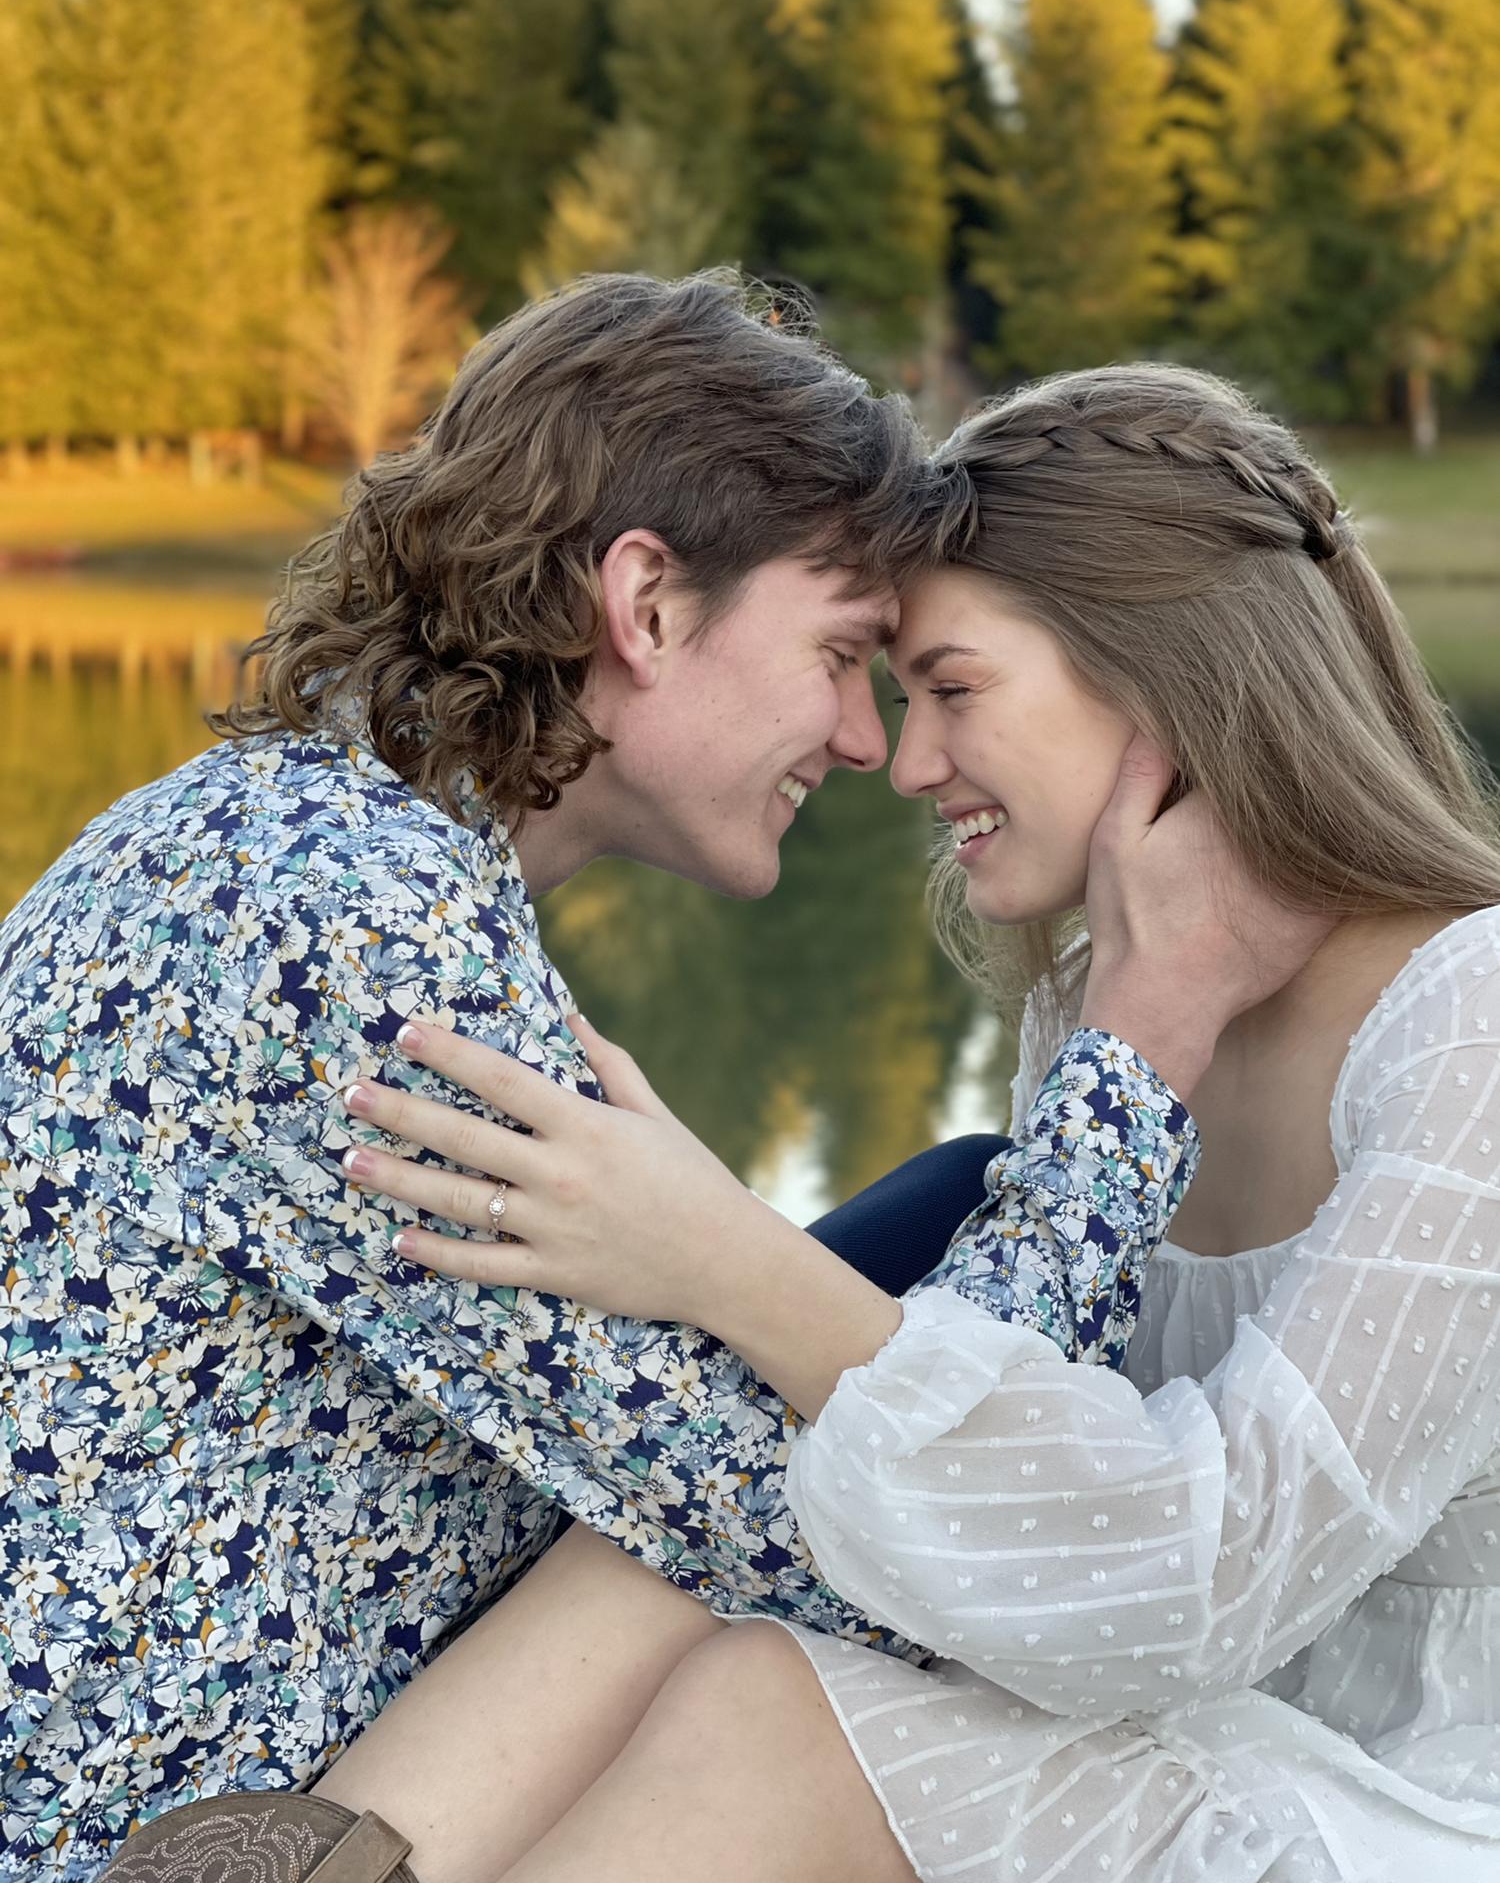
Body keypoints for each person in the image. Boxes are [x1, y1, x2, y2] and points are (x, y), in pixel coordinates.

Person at [0, 282, 1295, 1878]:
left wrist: (735, 1247)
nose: (866, 740)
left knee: (936, 1213)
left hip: (291, 1713)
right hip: (142, 1832)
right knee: (901, 1387)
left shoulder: (295, 835)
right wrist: (1140, 1056)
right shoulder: (343, 930)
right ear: (650, 605)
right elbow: (908, 1555)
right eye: (840, 655)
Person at [320, 365, 1500, 1882]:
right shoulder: (1098, 1013)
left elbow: (1204, 1583)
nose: (908, 761)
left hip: (1425, 1801)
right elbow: (1004, 1515)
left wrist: (721, 1256)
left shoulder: (1470, 1021)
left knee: (779, 1712)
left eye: (952, 688)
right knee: (732, 1611)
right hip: (1195, 1734)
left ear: (1167, 682)